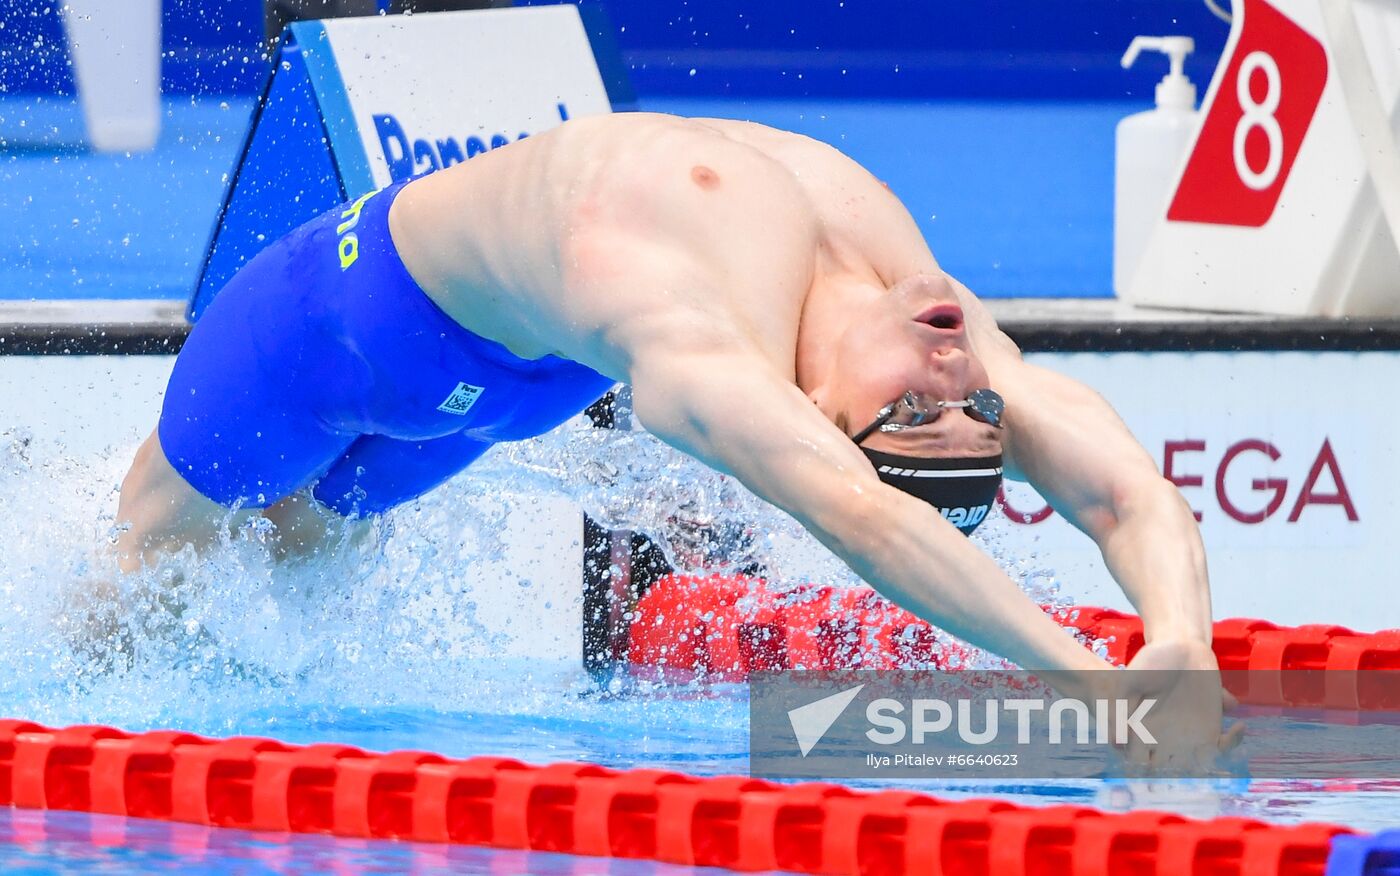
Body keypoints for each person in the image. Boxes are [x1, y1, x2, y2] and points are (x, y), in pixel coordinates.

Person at [116, 112, 1232, 765]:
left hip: (516, 377)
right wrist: (1142, 658)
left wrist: (1135, 661)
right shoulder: (901, 292)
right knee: (143, 567)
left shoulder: (712, 363)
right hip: (338, 329)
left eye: (925, 412)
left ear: (821, 421)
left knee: (297, 584)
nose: (960, 379)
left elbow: (858, 514)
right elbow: (1105, 484)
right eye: (969, 410)